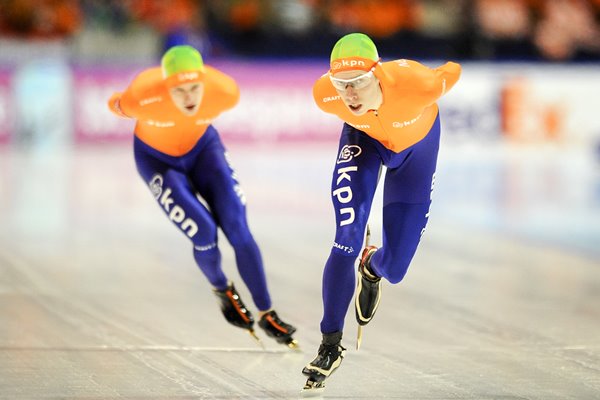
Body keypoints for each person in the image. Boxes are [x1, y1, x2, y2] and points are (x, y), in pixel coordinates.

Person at [107, 45, 297, 347]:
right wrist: (118, 102)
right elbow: (114, 104)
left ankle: (267, 311)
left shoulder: (224, 90)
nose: (189, 98)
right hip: (158, 161)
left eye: (195, 88)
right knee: (205, 231)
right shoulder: (142, 94)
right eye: (179, 90)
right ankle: (222, 290)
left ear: (204, 81)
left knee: (238, 227)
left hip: (204, 150)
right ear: (165, 85)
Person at [302, 33, 461, 385]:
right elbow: (338, 92)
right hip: (365, 144)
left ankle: (372, 266)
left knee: (397, 268)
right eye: (341, 85)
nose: (350, 94)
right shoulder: (325, 95)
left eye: (358, 83)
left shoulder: (418, 83)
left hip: (416, 152)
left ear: (377, 73)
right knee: (346, 236)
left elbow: (454, 69)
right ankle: (330, 344)